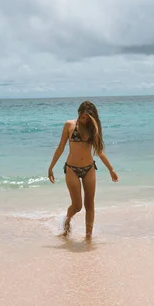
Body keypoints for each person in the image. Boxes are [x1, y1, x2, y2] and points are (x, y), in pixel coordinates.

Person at [48, 101, 119, 240]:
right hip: (72, 169)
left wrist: (111, 169)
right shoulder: (69, 125)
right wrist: (51, 167)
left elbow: (99, 151)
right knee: (77, 205)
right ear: (79, 113)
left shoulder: (93, 128)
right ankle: (67, 219)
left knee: (90, 205)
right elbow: (61, 147)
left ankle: (88, 237)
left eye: (88, 118)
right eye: (83, 117)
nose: (85, 120)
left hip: (89, 168)